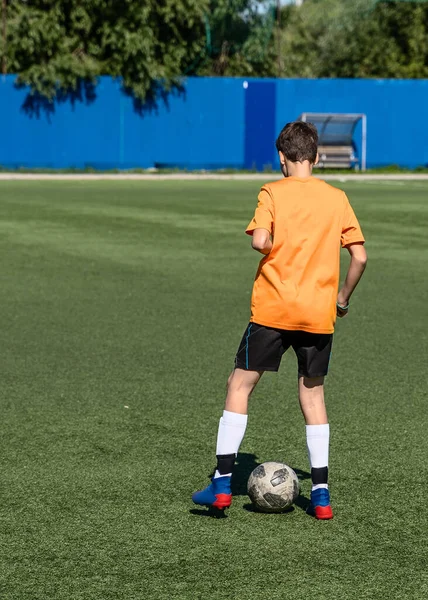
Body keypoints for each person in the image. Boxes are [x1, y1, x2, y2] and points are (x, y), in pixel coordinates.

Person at [192, 121, 367, 519]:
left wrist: (271, 242)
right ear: (318, 157)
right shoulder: (337, 197)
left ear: (283, 159)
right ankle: (320, 495)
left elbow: (259, 240)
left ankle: (221, 485)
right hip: (317, 314)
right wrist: (341, 298)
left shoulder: (272, 190)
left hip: (273, 309)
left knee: (239, 385)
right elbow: (359, 256)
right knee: (312, 395)